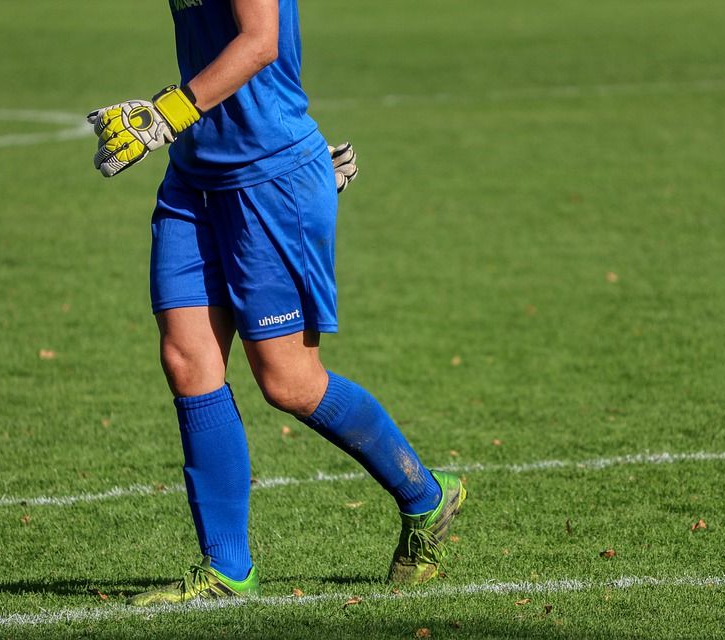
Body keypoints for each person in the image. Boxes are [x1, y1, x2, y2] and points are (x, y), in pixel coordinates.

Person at [87, 0, 465, 605]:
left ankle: (426, 495)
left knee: (288, 382)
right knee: (187, 361)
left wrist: (168, 113)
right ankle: (226, 567)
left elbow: (261, 40)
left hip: (267, 178)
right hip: (193, 178)